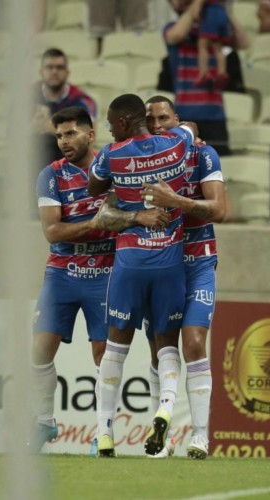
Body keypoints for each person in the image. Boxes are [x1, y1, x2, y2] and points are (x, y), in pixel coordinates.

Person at [29, 106, 170, 453]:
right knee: (39, 351)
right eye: (59, 135)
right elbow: (52, 231)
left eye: (71, 133)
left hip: (105, 271)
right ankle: (44, 423)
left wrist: (121, 218)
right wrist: (98, 222)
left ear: (90, 135)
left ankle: (100, 433)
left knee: (103, 354)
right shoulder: (50, 176)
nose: (64, 141)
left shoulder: (111, 166)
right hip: (62, 269)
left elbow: (126, 214)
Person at [88, 93, 195, 458]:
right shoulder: (176, 142)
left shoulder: (112, 153)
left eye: (109, 122)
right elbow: (190, 130)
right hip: (169, 260)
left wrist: (126, 182)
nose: (108, 128)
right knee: (166, 344)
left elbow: (94, 187)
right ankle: (165, 408)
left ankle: (104, 432)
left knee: (115, 347)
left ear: (121, 123)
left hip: (131, 260)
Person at [140, 95, 226, 459]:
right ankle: (167, 434)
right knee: (160, 349)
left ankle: (201, 436)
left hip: (198, 260)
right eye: (151, 120)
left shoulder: (202, 154)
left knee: (193, 343)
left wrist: (178, 202)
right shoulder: (138, 159)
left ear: (177, 119)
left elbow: (219, 209)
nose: (158, 125)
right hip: (158, 262)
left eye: (164, 118)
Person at [164, 0, 237, 156]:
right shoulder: (170, 28)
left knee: (218, 168)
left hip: (215, 115)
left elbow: (243, 42)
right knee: (184, 169)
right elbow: (175, 36)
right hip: (185, 114)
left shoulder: (213, 29)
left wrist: (222, 11)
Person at [33, 48, 97, 170]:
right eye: (49, 67)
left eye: (59, 67)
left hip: (68, 162)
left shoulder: (81, 99)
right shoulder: (27, 97)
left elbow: (90, 136)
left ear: (67, 72)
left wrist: (50, 126)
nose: (54, 72)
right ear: (41, 71)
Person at [190, 0, 230, 89]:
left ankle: (204, 73)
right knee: (218, 47)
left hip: (211, 14)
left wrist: (195, 13)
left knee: (202, 45)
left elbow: (199, 2)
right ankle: (222, 72)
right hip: (222, 13)